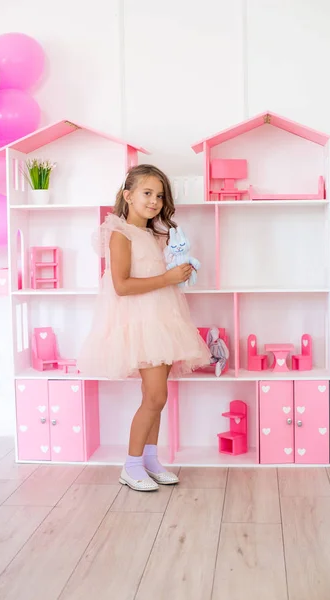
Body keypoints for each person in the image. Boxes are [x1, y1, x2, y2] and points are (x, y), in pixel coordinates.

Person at [77, 164, 211, 491]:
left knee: (157, 397)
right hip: (139, 323)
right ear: (128, 196)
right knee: (155, 395)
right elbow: (121, 286)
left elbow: (160, 273)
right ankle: (131, 465)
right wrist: (167, 278)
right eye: (147, 193)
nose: (154, 201)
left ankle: (150, 460)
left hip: (162, 320)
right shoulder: (120, 234)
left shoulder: (156, 235)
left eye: (160, 195)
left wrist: (180, 269)